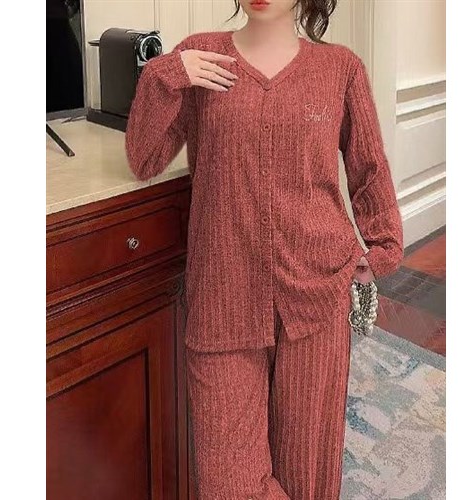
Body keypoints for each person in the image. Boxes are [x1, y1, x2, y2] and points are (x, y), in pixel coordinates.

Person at [125, 0, 404, 498]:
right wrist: (165, 75)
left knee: (307, 475)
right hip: (223, 297)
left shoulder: (339, 69)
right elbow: (144, 159)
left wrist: (381, 247)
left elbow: (369, 168)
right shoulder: (202, 57)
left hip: (317, 296)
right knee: (228, 483)